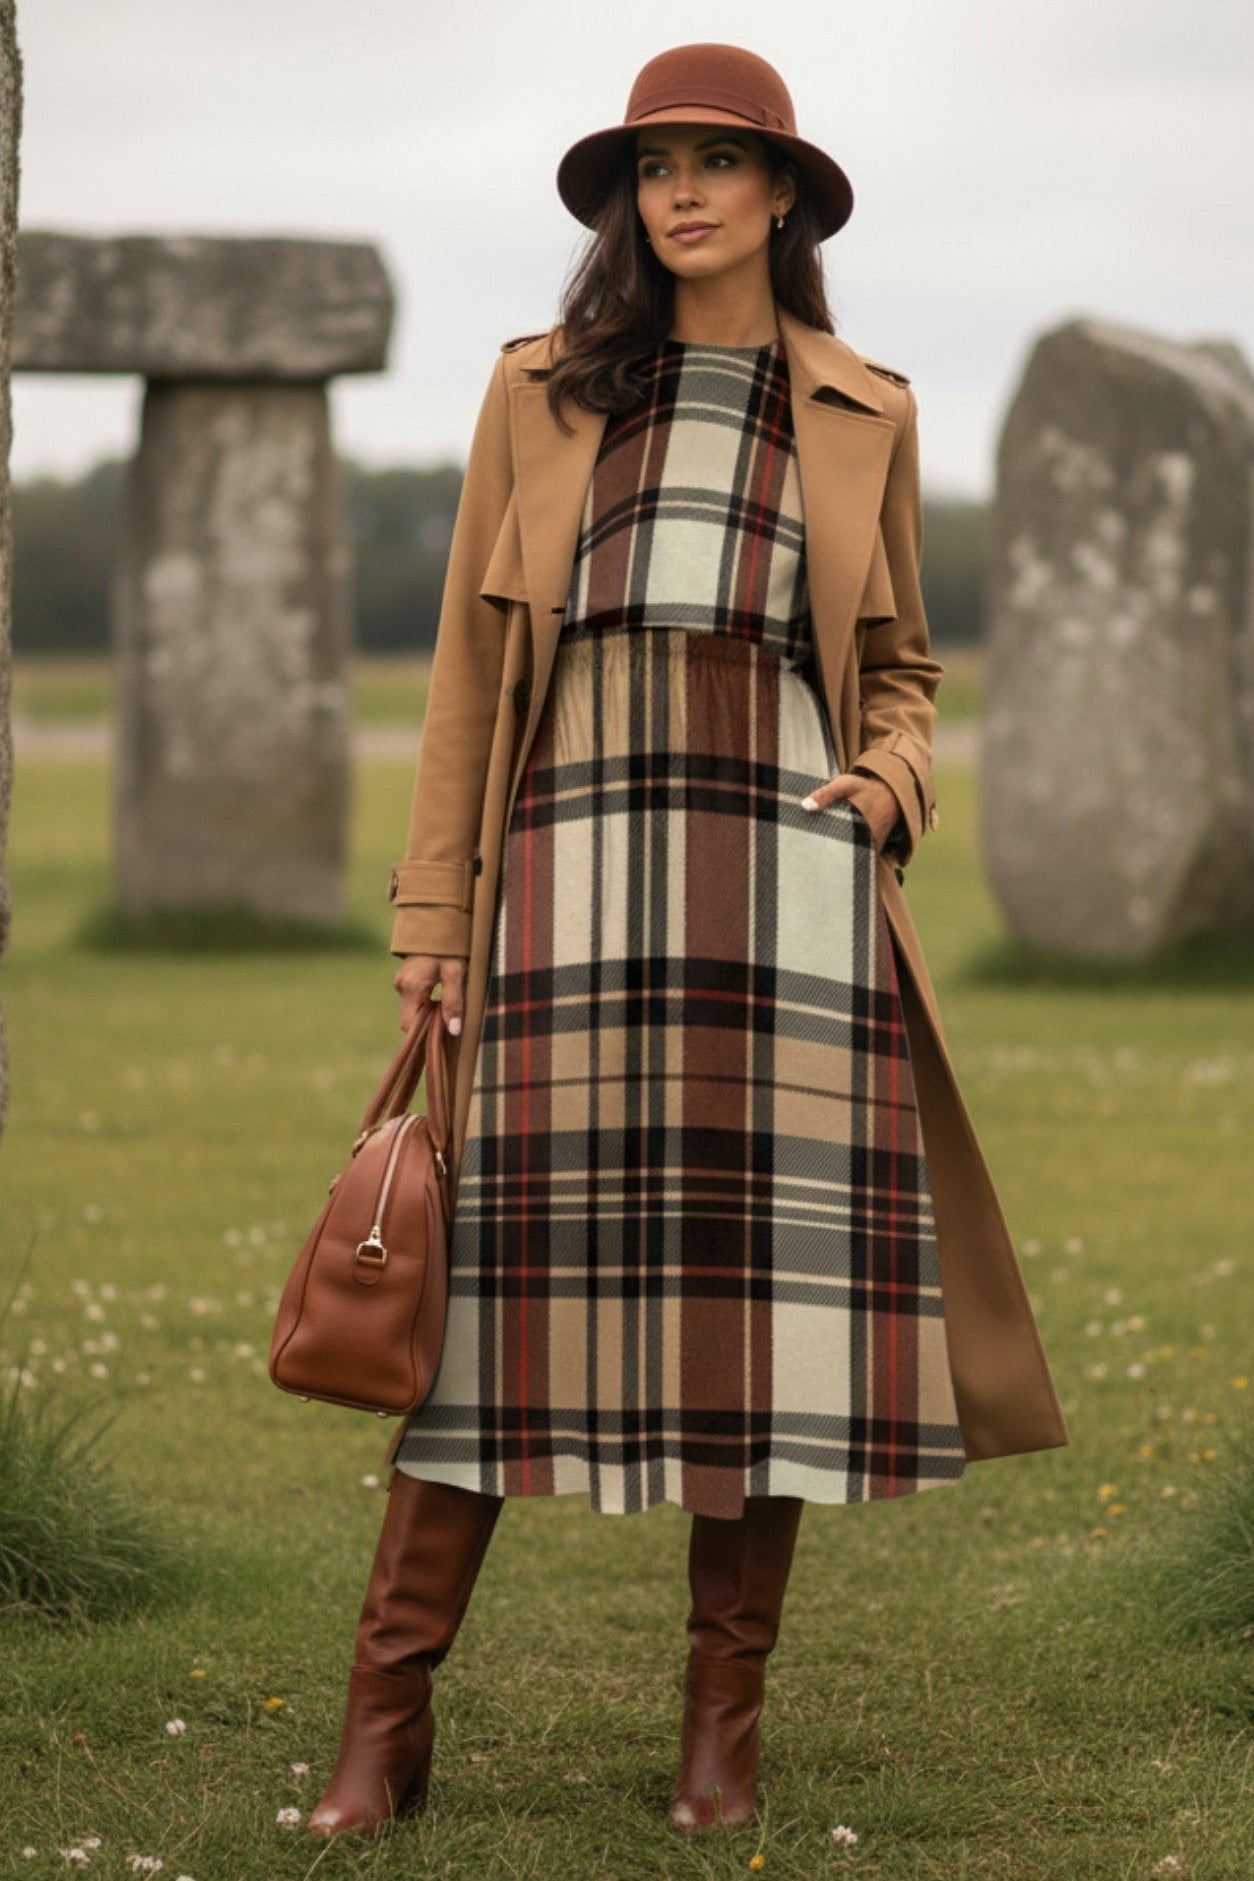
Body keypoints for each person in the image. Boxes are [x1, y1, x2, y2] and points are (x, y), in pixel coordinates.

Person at [308, 42, 1067, 1841]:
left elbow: (899, 672)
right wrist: (436, 917)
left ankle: (720, 1734)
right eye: (657, 167)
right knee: (489, 1301)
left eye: (720, 161)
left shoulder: (859, 405)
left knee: (765, 1315)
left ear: (783, 195)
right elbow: (466, 681)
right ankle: (380, 1724)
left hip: (785, 889)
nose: (685, 193)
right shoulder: (539, 391)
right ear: (628, 202)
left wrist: (883, 788)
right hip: (568, 870)